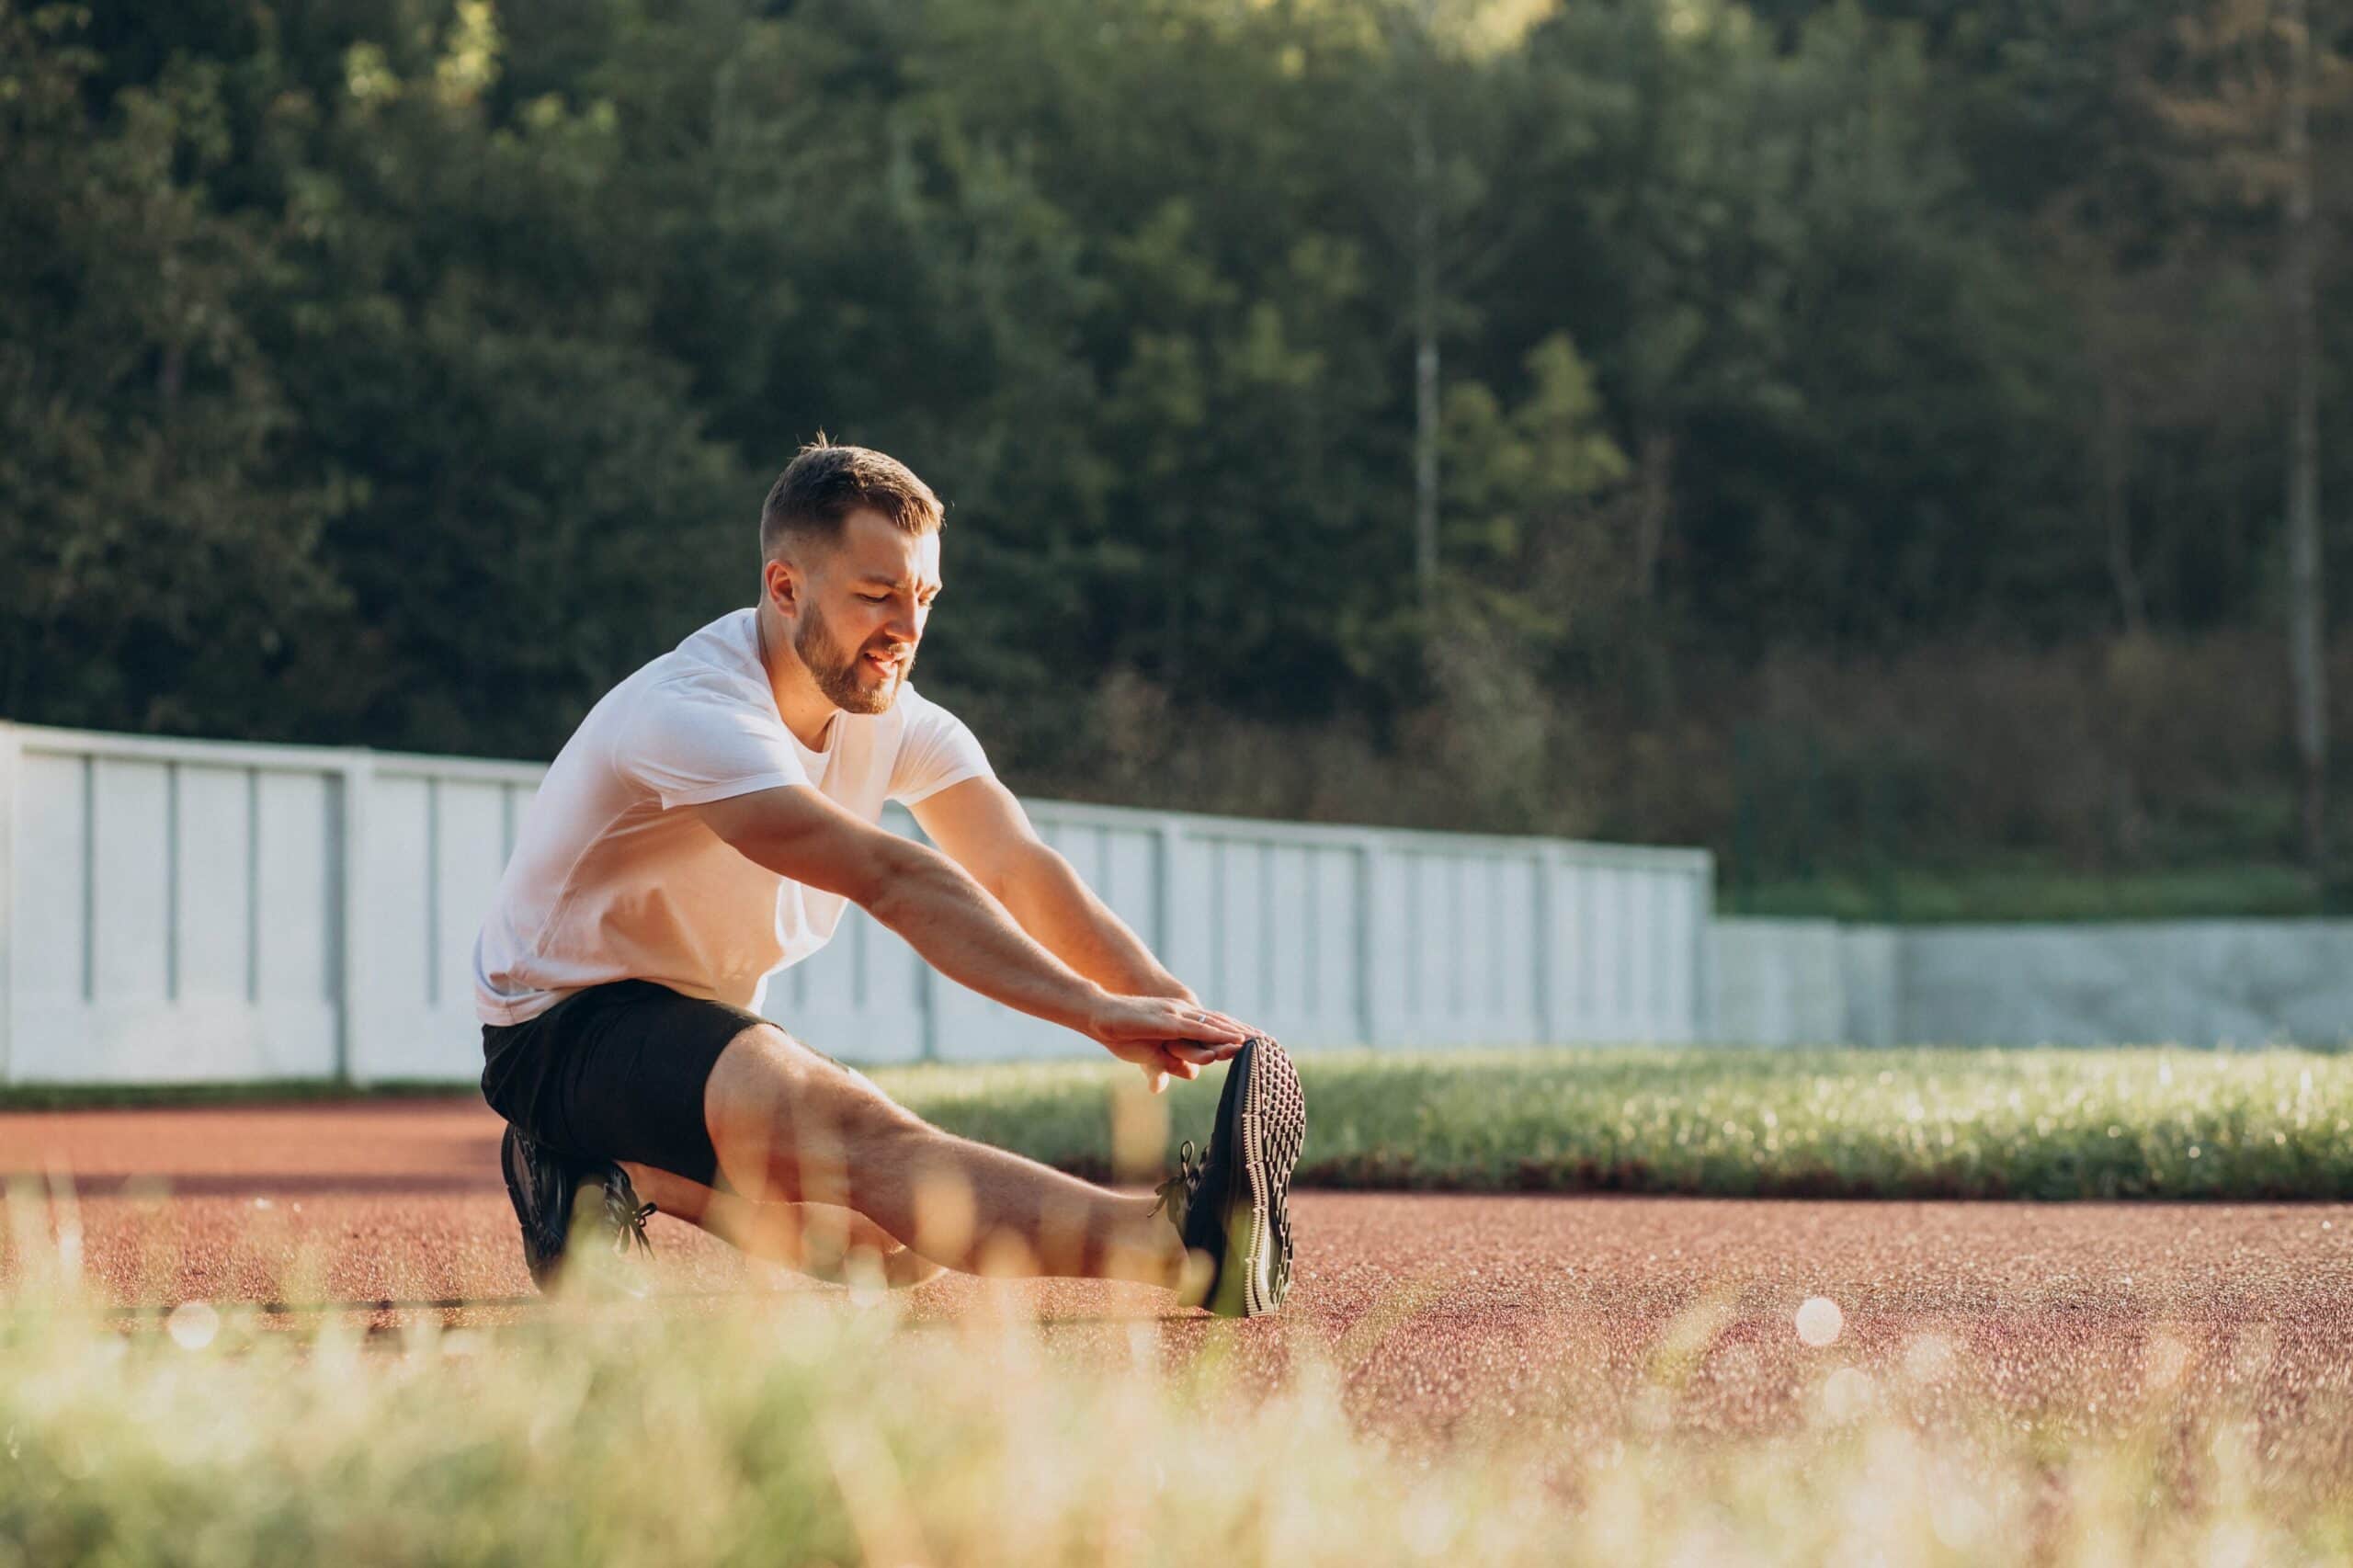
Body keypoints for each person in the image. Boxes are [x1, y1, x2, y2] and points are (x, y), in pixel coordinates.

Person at [472, 437, 1304, 1316]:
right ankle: (1184, 1246)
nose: (906, 629)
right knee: (866, 1141)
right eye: (876, 595)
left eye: (924, 597)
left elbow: (1017, 865)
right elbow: (890, 878)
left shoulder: (897, 716)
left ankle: (595, 1172)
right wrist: (1093, 1012)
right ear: (786, 587)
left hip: (698, 1024)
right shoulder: (694, 712)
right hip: (559, 1024)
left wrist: (1163, 1003)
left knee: (904, 1249)